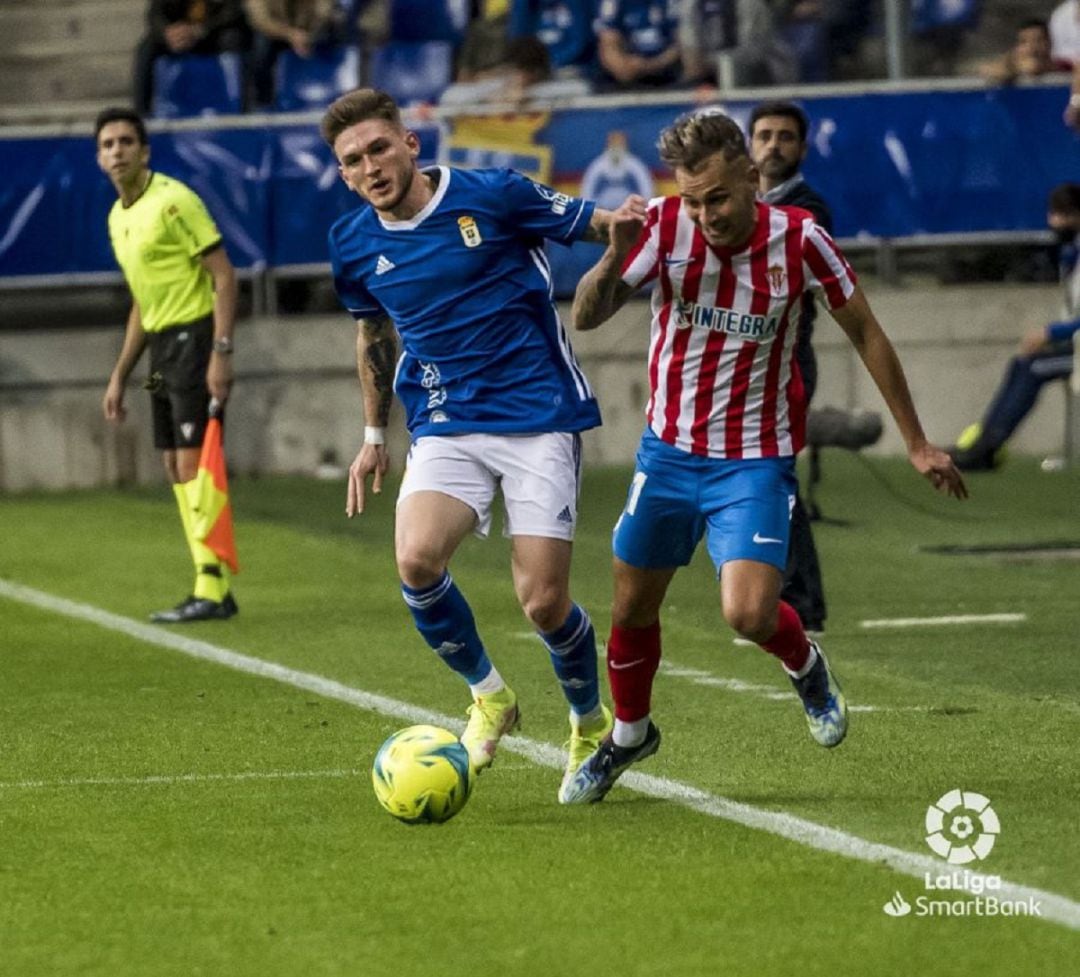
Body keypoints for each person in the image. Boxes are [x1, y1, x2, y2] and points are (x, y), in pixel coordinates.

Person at [561, 109, 967, 804]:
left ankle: (806, 666)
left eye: (717, 197)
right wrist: (611, 254)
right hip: (668, 452)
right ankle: (629, 733)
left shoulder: (802, 241)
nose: (705, 214)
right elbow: (587, 317)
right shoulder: (662, 227)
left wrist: (917, 440)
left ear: (752, 178)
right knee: (631, 607)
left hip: (753, 458)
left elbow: (866, 330)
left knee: (748, 613)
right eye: (692, 200)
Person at [321, 88, 631, 798]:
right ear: (342, 175)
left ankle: (588, 719)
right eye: (352, 160)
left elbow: (596, 222)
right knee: (416, 558)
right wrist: (374, 435)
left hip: (536, 412)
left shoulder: (493, 195)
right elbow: (372, 331)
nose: (369, 167)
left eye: (377, 148)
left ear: (409, 143)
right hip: (444, 417)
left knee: (543, 602)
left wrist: (633, 225)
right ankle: (490, 695)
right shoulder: (352, 243)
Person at [97, 107, 239, 622]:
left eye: (126, 141)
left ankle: (212, 587)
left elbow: (224, 275)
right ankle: (211, 579)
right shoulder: (118, 218)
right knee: (171, 463)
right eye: (108, 143)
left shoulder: (174, 201)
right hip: (161, 348)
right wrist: (120, 373)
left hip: (193, 339)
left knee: (190, 461)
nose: (118, 151)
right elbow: (142, 300)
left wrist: (222, 353)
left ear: (144, 151)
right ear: (99, 157)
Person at [748, 99, 829, 633]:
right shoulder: (744, 203)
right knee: (760, 476)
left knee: (774, 478)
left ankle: (802, 600)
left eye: (784, 136)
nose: (773, 145)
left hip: (786, 363)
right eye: (764, 135)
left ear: (801, 147)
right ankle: (777, 591)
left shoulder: (806, 210)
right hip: (748, 365)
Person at [949, 184, 1080, 472]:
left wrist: (1052, 333)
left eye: (1063, 215)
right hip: (1075, 345)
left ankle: (987, 447)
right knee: (1021, 363)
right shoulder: (1070, 254)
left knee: (1034, 368)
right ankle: (984, 442)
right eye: (1054, 214)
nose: (1055, 223)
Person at [244, 0, 389, 108]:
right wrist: (291, 35)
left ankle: (348, 91)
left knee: (344, 29)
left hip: (311, 29)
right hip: (277, 33)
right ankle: (262, 103)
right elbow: (260, 20)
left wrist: (308, 35)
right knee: (260, 46)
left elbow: (324, 10)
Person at [132, 0, 250, 115]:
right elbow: (155, 14)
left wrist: (201, 30)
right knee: (147, 48)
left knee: (234, 40)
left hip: (213, 34)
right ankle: (142, 111)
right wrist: (167, 33)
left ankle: (242, 107)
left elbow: (233, 13)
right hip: (178, 36)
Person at [595, 0, 681, 89]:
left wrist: (650, 66)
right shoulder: (613, 3)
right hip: (623, 78)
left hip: (668, 73)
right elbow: (608, 43)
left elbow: (680, 44)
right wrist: (622, 67)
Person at [977, 18, 1070, 86]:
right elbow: (987, 70)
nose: (1032, 48)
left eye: (1039, 40)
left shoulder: (1065, 66)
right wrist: (1014, 68)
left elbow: (1036, 67)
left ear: (1050, 42)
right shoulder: (1010, 64)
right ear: (1016, 47)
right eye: (1024, 42)